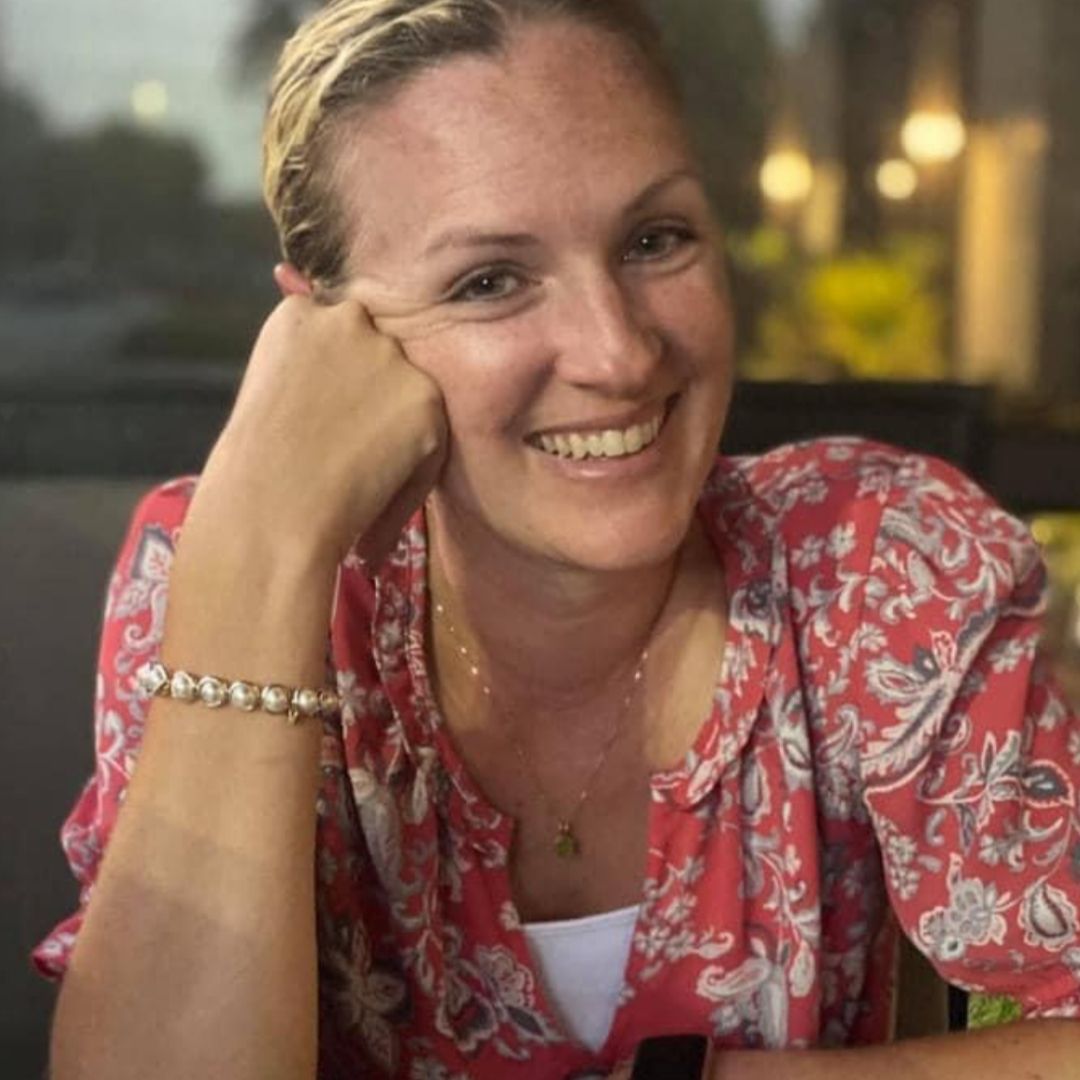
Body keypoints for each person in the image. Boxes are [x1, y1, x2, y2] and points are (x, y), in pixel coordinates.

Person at [37, 1, 1080, 1077]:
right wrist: (262, 545)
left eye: (653, 239)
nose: (618, 354)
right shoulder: (216, 568)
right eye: (490, 280)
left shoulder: (876, 560)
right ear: (323, 342)